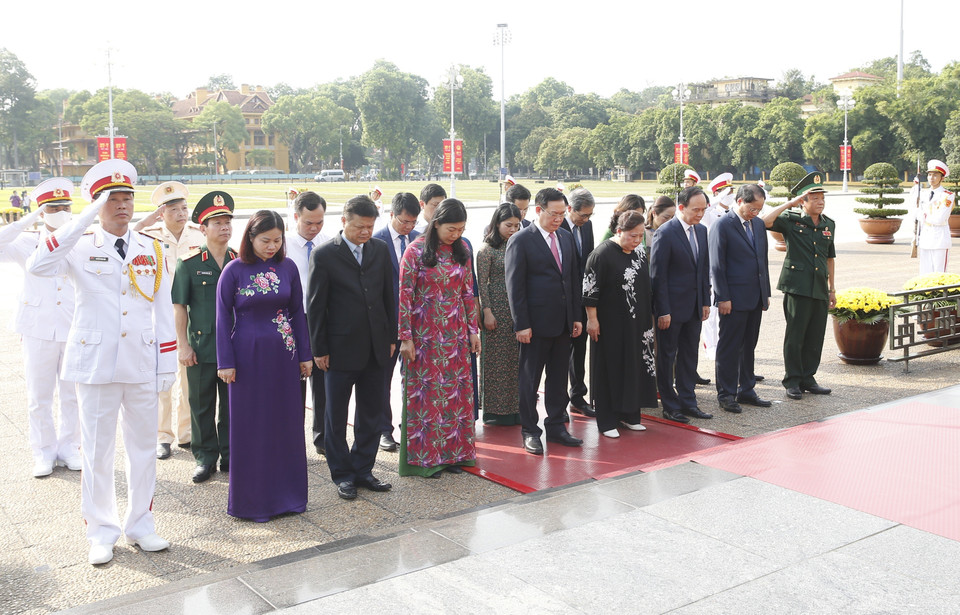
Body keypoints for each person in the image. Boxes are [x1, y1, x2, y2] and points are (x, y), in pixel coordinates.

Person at [27, 159, 175, 565]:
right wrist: (81, 222)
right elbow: (38, 265)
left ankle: (141, 525)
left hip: (141, 361)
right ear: (96, 204)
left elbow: (162, 310)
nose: (123, 205)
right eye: (112, 199)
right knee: (96, 451)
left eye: (128, 198)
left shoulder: (151, 248)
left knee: (142, 449)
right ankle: (101, 530)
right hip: (96, 364)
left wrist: (166, 364)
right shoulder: (79, 245)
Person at [216, 210, 313, 521]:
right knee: (251, 426)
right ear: (250, 238)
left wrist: (305, 355)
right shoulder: (233, 270)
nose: (272, 246)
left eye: (277, 240)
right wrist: (225, 361)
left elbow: (297, 313)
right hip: (246, 358)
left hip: (284, 356)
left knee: (285, 423)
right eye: (265, 240)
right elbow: (222, 317)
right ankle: (253, 502)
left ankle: (289, 497)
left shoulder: (288, 267)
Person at [308, 196, 395, 501]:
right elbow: (316, 305)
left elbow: (388, 296)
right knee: (335, 416)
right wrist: (319, 348)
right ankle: (342, 474)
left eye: (370, 226)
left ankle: (363, 469)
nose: (365, 232)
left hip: (376, 347)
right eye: (359, 227)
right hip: (339, 349)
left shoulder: (379, 249)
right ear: (344, 221)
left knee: (371, 413)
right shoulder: (324, 255)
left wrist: (391, 337)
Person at [0, 178, 79, 478]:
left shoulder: (81, 239)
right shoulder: (26, 241)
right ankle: (43, 451)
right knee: (39, 395)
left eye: (65, 207)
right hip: (37, 328)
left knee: (72, 394)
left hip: (73, 326)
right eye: (53, 208)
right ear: (42, 212)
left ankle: (70, 447)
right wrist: (27, 220)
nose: (61, 213)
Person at [398, 199, 480, 477]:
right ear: (436, 224)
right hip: (425, 335)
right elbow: (404, 296)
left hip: (455, 334)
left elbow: (468, 292)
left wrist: (473, 330)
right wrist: (405, 337)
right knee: (427, 396)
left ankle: (453, 454)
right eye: (451, 229)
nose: (456, 234)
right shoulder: (415, 251)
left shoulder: (463, 249)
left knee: (455, 397)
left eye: (461, 229)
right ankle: (426, 459)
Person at [505, 187, 584, 455]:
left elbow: (572, 279)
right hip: (534, 325)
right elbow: (515, 287)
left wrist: (576, 316)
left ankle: (557, 426)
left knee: (558, 379)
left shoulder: (566, 237)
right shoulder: (521, 240)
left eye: (563, 214)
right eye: (554, 214)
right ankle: (530, 430)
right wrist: (521, 324)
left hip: (563, 323)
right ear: (539, 210)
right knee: (530, 381)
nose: (559, 219)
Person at [172, 192, 238, 484]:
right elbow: (180, 307)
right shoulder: (188, 263)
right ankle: (205, 458)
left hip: (233, 348)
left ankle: (231, 455)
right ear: (203, 228)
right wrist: (183, 345)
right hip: (201, 347)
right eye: (217, 223)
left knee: (232, 406)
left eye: (227, 222)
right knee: (201, 406)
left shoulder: (240, 260)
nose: (224, 227)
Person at [137, 181, 205, 460]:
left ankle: (187, 433)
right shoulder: (148, 236)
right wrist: (146, 222)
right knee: (163, 379)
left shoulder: (198, 234)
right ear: (161, 213)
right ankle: (162, 436)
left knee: (189, 376)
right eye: (173, 209)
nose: (181, 214)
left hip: (190, 313)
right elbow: (126, 242)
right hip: (161, 314)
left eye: (184, 208)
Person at [761, 172, 836, 401]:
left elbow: (830, 258)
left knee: (815, 335)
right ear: (803, 201)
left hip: (819, 287)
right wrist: (789, 203)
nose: (820, 202)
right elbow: (764, 221)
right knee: (796, 335)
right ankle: (792, 380)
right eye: (815, 198)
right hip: (797, 287)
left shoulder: (829, 224)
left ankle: (808, 378)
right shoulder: (791, 220)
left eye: (822, 198)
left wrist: (832, 289)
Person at [583, 210, 657, 438]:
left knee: (635, 365)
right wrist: (592, 320)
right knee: (610, 368)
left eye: (640, 235)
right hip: (611, 324)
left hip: (638, 323)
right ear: (619, 231)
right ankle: (607, 420)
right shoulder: (601, 254)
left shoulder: (639, 252)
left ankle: (630, 414)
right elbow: (590, 291)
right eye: (632, 235)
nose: (637, 240)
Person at [651, 186, 713, 424]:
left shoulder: (702, 230)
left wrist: (705, 301)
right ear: (681, 207)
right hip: (671, 309)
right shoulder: (666, 233)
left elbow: (703, 269)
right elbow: (658, 276)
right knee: (667, 357)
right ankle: (670, 404)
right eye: (696, 210)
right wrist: (663, 310)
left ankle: (689, 401)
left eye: (703, 209)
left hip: (694, 307)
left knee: (689, 355)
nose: (700, 214)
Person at [708, 184, 772, 414]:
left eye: (759, 209)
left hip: (755, 296)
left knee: (749, 345)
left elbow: (762, 260)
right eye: (752, 208)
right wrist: (722, 297)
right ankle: (726, 393)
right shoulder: (722, 225)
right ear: (740, 202)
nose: (756, 213)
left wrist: (765, 293)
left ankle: (746, 388)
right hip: (732, 299)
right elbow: (717, 264)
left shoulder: (758, 224)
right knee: (729, 346)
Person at [372, 192, 420, 451]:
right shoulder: (375, 240)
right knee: (382, 379)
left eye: (413, 222)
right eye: (404, 221)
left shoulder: (420, 241)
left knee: (413, 379)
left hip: (416, 323)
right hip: (386, 322)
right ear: (392, 215)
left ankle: (412, 427)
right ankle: (383, 430)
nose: (408, 227)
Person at [284, 191, 331, 456]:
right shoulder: (283, 246)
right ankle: (292, 440)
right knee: (294, 383)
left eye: (319, 222)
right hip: (294, 320)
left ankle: (322, 437)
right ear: (295, 217)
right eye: (308, 223)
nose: (314, 228)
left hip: (322, 320)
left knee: (323, 381)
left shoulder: (329, 243)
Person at [477, 203, 522, 426]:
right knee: (495, 363)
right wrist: (487, 311)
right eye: (508, 225)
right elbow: (481, 284)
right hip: (496, 310)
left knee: (516, 362)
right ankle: (495, 411)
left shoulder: (520, 245)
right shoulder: (487, 250)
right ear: (497, 224)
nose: (513, 229)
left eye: (517, 225)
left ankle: (516, 409)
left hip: (517, 310)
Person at [561, 188, 596, 418]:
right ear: (570, 209)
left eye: (590, 215)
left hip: (581, 298)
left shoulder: (587, 226)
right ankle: (558, 401)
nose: (586, 219)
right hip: (561, 299)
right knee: (560, 352)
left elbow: (588, 261)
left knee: (579, 348)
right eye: (583, 215)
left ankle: (577, 396)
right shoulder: (558, 227)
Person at [700, 173, 735, 366]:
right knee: (711, 312)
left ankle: (724, 346)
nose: (729, 195)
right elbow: (705, 209)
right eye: (726, 192)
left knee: (727, 311)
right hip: (712, 268)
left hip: (729, 268)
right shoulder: (711, 213)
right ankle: (710, 346)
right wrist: (719, 197)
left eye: (731, 191)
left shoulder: (734, 212)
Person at [909, 159, 954, 274]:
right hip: (925, 239)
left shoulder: (947, 196)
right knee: (925, 273)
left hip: (939, 240)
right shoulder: (923, 194)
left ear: (942, 178)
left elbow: (939, 219)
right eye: (929, 175)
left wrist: (922, 215)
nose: (931, 178)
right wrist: (915, 189)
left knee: (939, 274)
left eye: (935, 175)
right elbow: (913, 211)